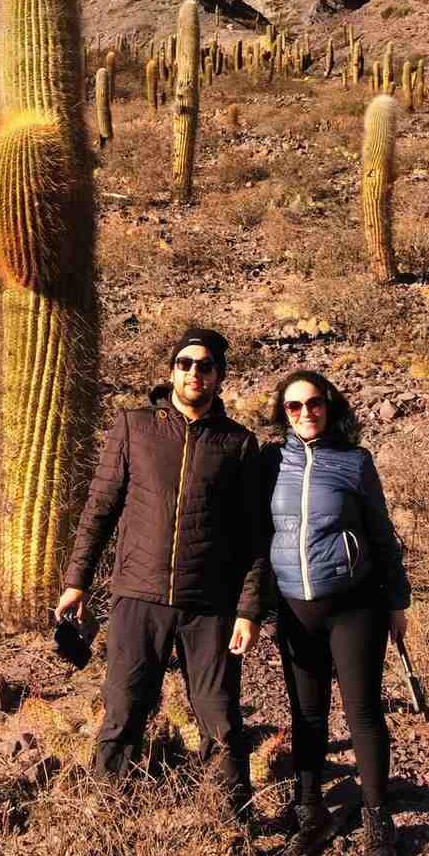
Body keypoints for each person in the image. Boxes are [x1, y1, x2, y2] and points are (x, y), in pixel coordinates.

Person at [56, 327, 270, 819]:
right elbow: (100, 509)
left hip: (209, 604)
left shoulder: (238, 444)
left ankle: (231, 818)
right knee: (125, 709)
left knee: (220, 717)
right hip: (139, 594)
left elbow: (256, 538)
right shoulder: (135, 427)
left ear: (219, 376)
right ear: (172, 370)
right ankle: (110, 814)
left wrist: (249, 609)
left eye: (206, 365)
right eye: (185, 363)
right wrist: (76, 582)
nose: (195, 372)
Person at [264, 369, 410, 856]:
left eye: (315, 403)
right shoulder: (270, 462)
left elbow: (381, 532)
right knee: (306, 715)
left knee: (363, 713)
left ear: (331, 405)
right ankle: (311, 815)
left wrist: (397, 601)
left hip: (354, 605)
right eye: (294, 406)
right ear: (282, 412)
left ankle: (377, 821)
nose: (306, 413)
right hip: (294, 607)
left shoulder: (354, 461)